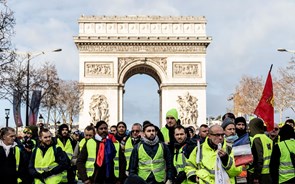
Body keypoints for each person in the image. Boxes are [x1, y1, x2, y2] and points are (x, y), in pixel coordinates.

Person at [247, 118, 273, 184]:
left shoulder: (257, 139)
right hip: (269, 174)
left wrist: (256, 176)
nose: (250, 130)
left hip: (260, 175)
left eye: (250, 127)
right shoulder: (269, 139)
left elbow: (259, 159)